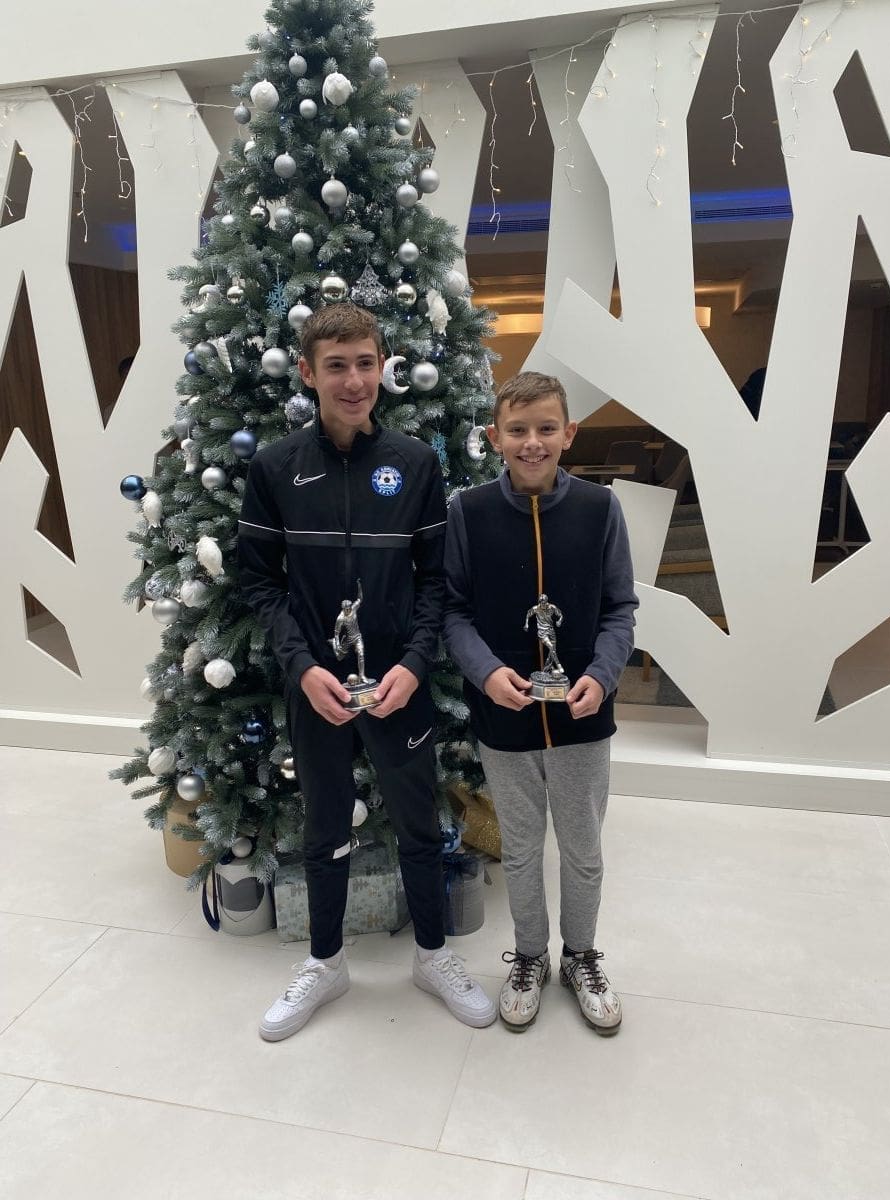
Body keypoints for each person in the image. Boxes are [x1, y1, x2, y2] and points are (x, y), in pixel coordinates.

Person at [238, 303, 496, 1040]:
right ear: (307, 372)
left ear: (383, 367)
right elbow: (257, 582)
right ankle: (326, 962)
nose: (353, 381)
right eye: (336, 366)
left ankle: (433, 955)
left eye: (364, 364)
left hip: (398, 686)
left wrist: (415, 665)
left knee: (418, 822)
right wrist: (301, 667)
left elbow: (436, 582)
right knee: (324, 825)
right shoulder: (275, 467)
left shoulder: (415, 463)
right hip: (317, 687)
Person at [443, 371, 638, 1034]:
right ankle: (530, 955)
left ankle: (580, 955)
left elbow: (619, 608)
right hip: (505, 717)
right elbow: (454, 611)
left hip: (584, 716)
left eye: (546, 428)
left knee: (583, 848)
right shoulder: (468, 512)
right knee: (522, 848)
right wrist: (486, 672)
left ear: (569, 433)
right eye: (518, 430)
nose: (533, 442)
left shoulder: (600, 510)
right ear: (495, 437)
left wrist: (602, 676)